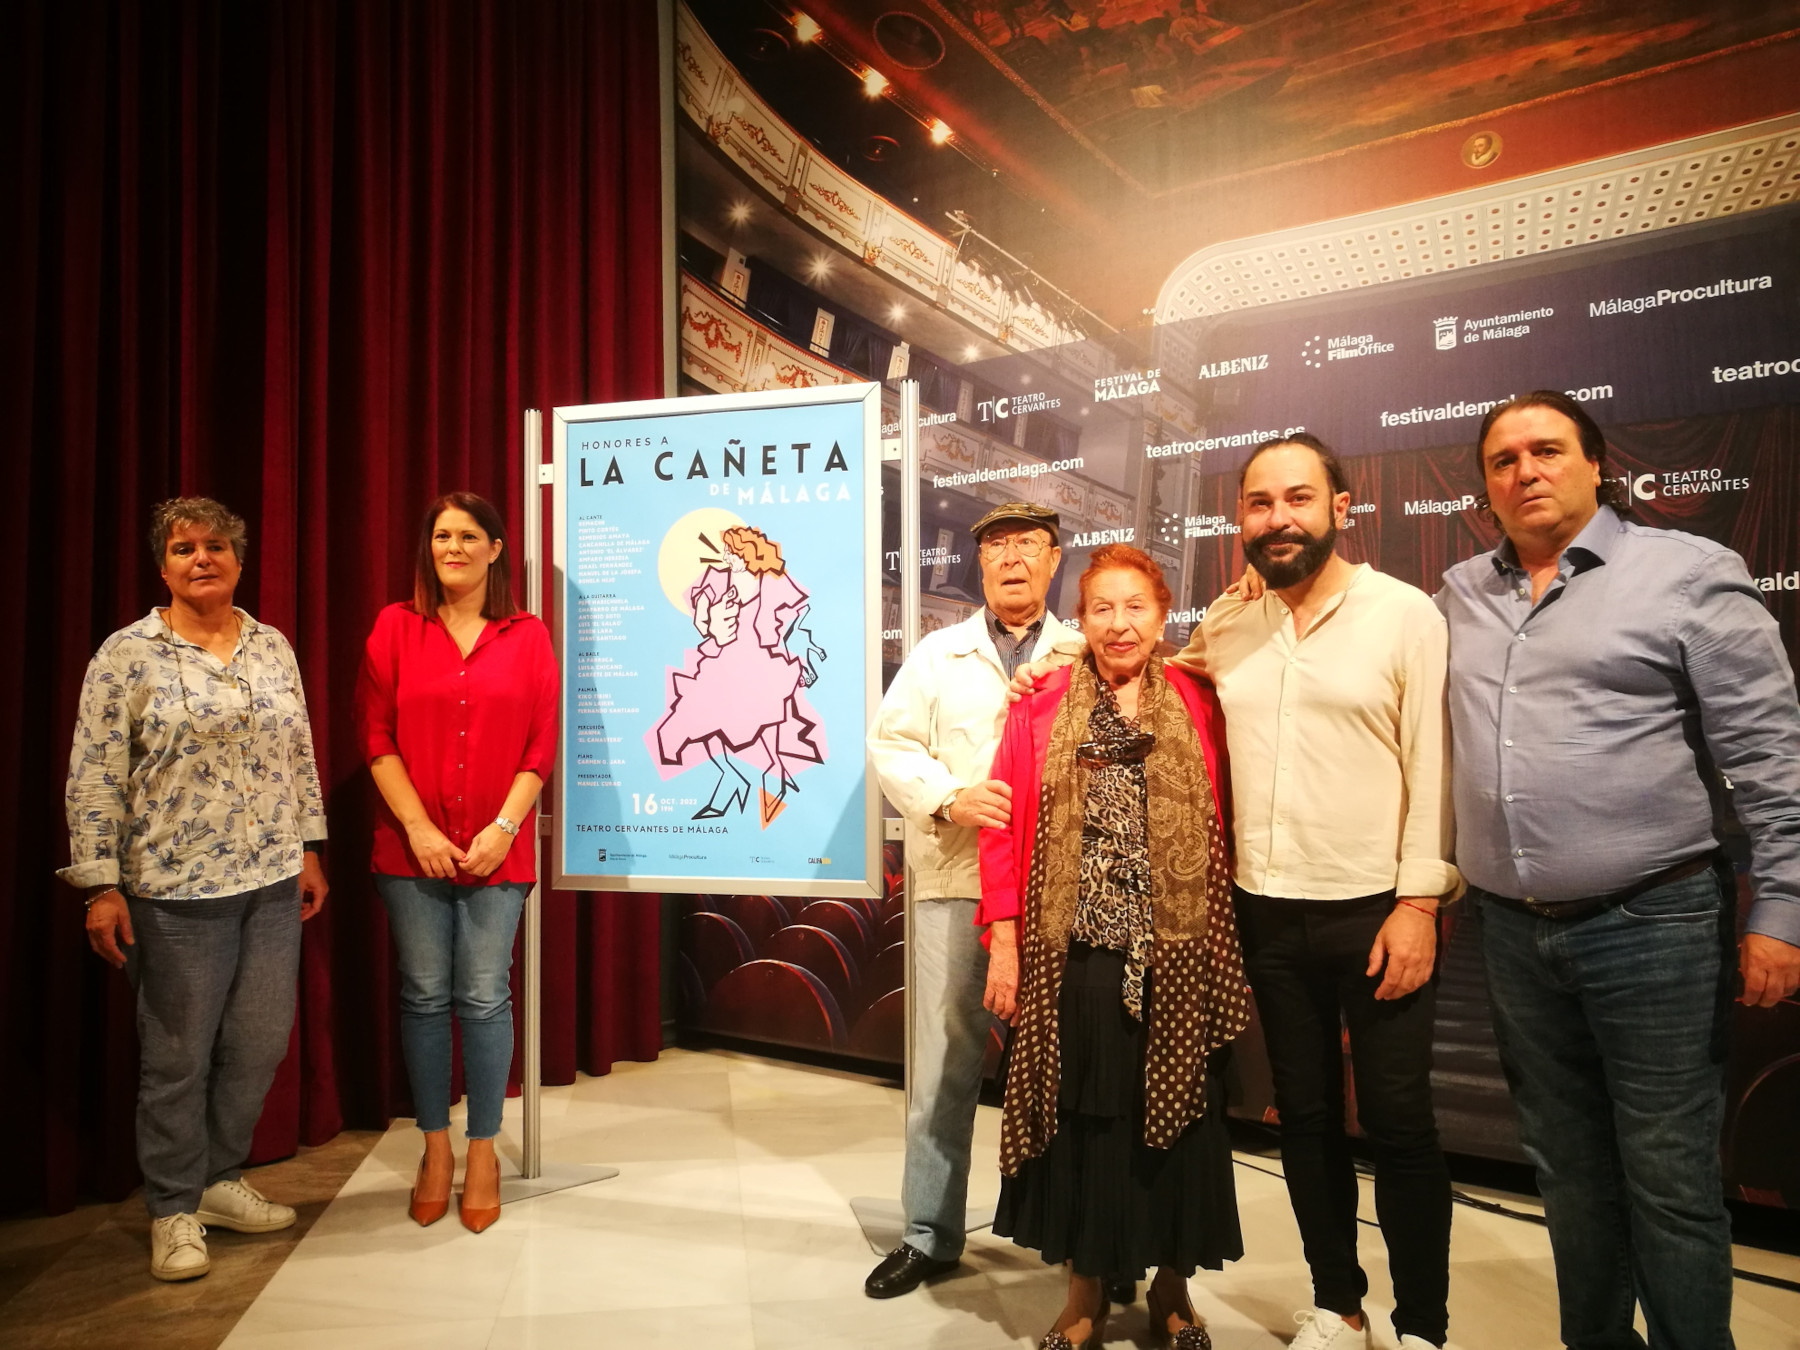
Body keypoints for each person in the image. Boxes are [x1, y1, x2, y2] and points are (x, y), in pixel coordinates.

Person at [1015, 433, 1459, 1350]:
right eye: (1260, 503)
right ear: (1241, 522)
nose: (1278, 517)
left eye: (1298, 498)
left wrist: (1419, 902)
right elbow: (1144, 673)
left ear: (1341, 508)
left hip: (1375, 907)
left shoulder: (1404, 614)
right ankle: (1338, 1306)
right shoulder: (1233, 626)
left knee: (1401, 1126)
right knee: (1305, 1119)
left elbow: (1435, 764)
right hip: (1266, 911)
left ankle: (1421, 1328)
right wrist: (1049, 669)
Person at [1439, 391, 1800, 1349]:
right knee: (1567, 1172)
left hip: (1655, 924)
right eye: (1503, 460)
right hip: (1511, 932)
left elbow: (1771, 758)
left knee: (1669, 1179)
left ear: (1597, 465)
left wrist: (1783, 911)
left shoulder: (1687, 574)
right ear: (1486, 488)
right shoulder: (1459, 593)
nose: (1526, 471)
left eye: (1547, 450)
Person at [981, 545, 1248, 1350]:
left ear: (1164, 617)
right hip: (1075, 954)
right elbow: (1002, 825)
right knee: (1084, 1123)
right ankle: (1086, 1291)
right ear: (1081, 621)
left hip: (1180, 952)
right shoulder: (1039, 702)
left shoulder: (1201, 697)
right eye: (1102, 608)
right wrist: (1003, 939)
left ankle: (1173, 1289)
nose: (1120, 624)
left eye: (1136, 607)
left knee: (1182, 1116)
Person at [61, 496, 330, 1282]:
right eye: (184, 549)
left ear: (239, 560)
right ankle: (173, 1208)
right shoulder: (126, 655)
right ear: (163, 565)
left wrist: (310, 847)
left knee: (258, 1044)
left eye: (216, 546)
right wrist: (100, 885)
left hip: (272, 883)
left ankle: (217, 1178)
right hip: (173, 893)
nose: (202, 559)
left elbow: (299, 752)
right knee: (177, 1058)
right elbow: (93, 775)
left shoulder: (271, 645)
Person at [864, 502, 1086, 1298]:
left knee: (1071, 1068)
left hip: (1062, 894)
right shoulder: (938, 653)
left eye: (1029, 545)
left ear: (1054, 560)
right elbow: (891, 743)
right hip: (957, 880)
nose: (1012, 558)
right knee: (942, 1064)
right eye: (997, 547)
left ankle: (1084, 1247)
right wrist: (949, 796)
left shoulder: (1083, 650)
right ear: (981, 564)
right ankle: (929, 1233)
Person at [355, 491, 558, 1234]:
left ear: (496, 549)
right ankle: (435, 1148)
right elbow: (374, 735)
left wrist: (505, 827)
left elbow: (541, 744)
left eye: (469, 536)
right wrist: (419, 829)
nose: (453, 548)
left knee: (483, 997)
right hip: (410, 851)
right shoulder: (395, 626)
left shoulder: (527, 635)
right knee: (423, 996)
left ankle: (482, 1150)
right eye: (442, 535)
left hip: (497, 851)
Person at [650, 524, 826, 824]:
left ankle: (773, 795)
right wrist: (711, 621)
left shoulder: (771, 581)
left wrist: (803, 660)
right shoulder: (715, 578)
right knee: (697, 722)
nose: (726, 556)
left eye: (732, 551)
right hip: (723, 664)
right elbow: (701, 624)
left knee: (763, 733)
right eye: (726, 551)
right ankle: (735, 780)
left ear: (749, 554)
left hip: (762, 667)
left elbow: (797, 623)